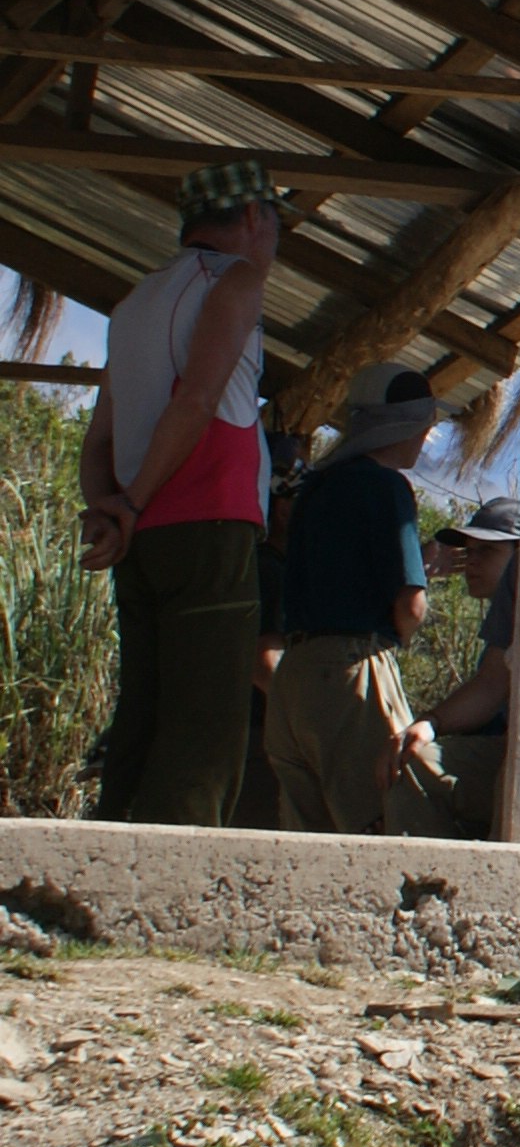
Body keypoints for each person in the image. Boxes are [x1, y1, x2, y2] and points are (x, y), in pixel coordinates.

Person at [79, 161, 279, 826]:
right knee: (205, 726)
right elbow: (196, 398)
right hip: (208, 523)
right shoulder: (235, 280)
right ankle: (175, 883)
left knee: (143, 710)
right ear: (253, 218)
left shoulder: (134, 303)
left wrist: (112, 512)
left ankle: (109, 851)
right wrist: (132, 503)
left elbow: (99, 439)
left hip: (141, 540)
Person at [261, 366, 439, 833]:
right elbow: (411, 603)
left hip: (294, 678)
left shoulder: (316, 488)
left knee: (307, 838)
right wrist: (397, 635)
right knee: (380, 822)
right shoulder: (387, 487)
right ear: (408, 428)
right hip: (351, 667)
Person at [385, 496, 520, 837]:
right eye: (468, 552)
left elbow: (492, 687)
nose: (471, 563)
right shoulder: (502, 617)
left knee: (419, 766)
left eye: (487, 551)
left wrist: (431, 723)